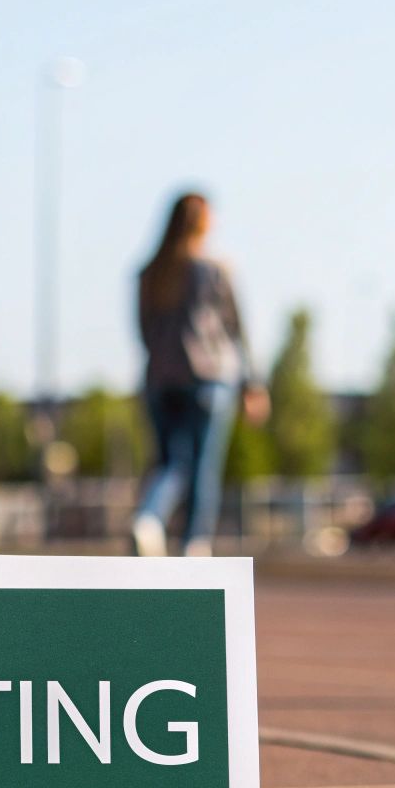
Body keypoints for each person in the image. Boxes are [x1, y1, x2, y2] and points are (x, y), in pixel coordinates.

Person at [130, 192, 268, 557]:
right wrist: (253, 384)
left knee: (172, 463)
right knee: (203, 467)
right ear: (204, 222)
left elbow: (142, 331)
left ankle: (149, 517)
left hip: (160, 381)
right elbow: (236, 328)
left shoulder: (149, 272)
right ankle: (194, 545)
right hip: (208, 379)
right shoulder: (214, 270)